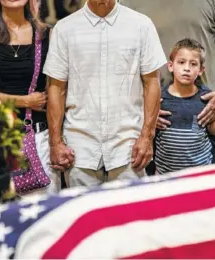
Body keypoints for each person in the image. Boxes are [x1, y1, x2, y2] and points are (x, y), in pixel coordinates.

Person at [43, 0, 166, 187]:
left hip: (129, 147)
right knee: (84, 214)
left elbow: (152, 82)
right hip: (79, 149)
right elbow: (56, 88)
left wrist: (147, 137)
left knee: (129, 215)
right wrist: (56, 143)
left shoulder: (141, 25)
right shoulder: (65, 29)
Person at [120, 0, 215, 165]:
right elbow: (120, 57)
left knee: (208, 188)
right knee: (158, 189)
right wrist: (140, 107)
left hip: (205, 117)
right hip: (152, 124)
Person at [0, 0, 62, 193]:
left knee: (44, 212)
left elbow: (58, 89)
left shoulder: (46, 35)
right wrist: (23, 101)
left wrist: (57, 142)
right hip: (1, 138)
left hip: (39, 138)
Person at [154, 38, 215, 174]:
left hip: (199, 174)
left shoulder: (207, 99)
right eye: (181, 62)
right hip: (165, 175)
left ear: (201, 70)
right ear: (171, 66)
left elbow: (213, 130)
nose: (187, 68)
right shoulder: (159, 99)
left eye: (193, 64)